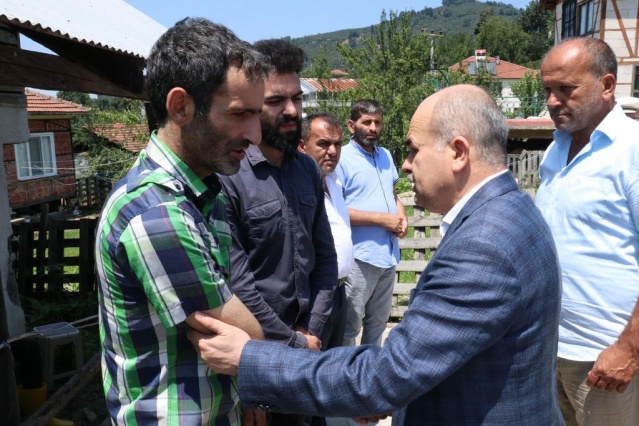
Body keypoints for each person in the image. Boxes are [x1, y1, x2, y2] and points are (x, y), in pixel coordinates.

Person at [188, 84, 564, 425]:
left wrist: (249, 359)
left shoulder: (484, 243)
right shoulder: (511, 211)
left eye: (414, 150)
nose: (405, 163)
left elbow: (384, 378)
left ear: (458, 152)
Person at [95, 18, 267, 425]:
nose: (256, 134)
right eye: (240, 113)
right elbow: (250, 341)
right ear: (180, 107)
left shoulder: (204, 192)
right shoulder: (156, 212)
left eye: (257, 114)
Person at [217, 39, 337, 425]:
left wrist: (311, 333)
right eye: (276, 101)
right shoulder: (229, 177)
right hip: (260, 352)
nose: (291, 111)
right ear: (254, 104)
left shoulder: (307, 170)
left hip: (308, 345)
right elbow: (238, 284)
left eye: (297, 98)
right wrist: (289, 345)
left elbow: (326, 259)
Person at [536, 37, 639, 426]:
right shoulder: (555, 150)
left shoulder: (632, 150)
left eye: (566, 89)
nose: (552, 101)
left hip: (607, 360)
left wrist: (629, 349)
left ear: (607, 86)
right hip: (552, 349)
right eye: (547, 89)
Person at [337, 100, 407, 348]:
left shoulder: (385, 155)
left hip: (387, 254)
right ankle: (345, 370)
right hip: (360, 256)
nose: (373, 128)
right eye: (366, 122)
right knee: (350, 325)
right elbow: (335, 210)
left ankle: (370, 368)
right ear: (351, 125)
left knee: (378, 322)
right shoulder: (341, 158)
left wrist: (402, 216)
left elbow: (393, 194)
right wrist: (382, 219)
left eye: (377, 122)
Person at [298, 112, 353, 350]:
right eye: (323, 144)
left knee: (335, 361)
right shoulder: (299, 188)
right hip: (315, 294)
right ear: (302, 146)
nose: (332, 151)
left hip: (339, 291)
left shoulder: (334, 181)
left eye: (337, 144)